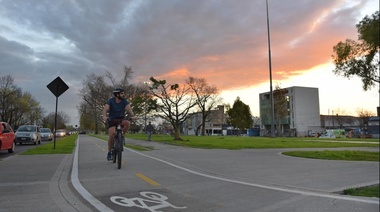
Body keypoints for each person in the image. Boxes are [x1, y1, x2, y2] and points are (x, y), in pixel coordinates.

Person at [102, 88, 135, 161]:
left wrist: (132, 116)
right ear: (117, 94)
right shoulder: (111, 101)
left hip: (121, 119)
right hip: (112, 119)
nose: (123, 95)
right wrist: (104, 116)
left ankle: (122, 136)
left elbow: (129, 109)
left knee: (128, 123)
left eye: (123, 93)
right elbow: (105, 109)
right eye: (122, 93)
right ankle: (109, 153)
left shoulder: (124, 101)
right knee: (112, 134)